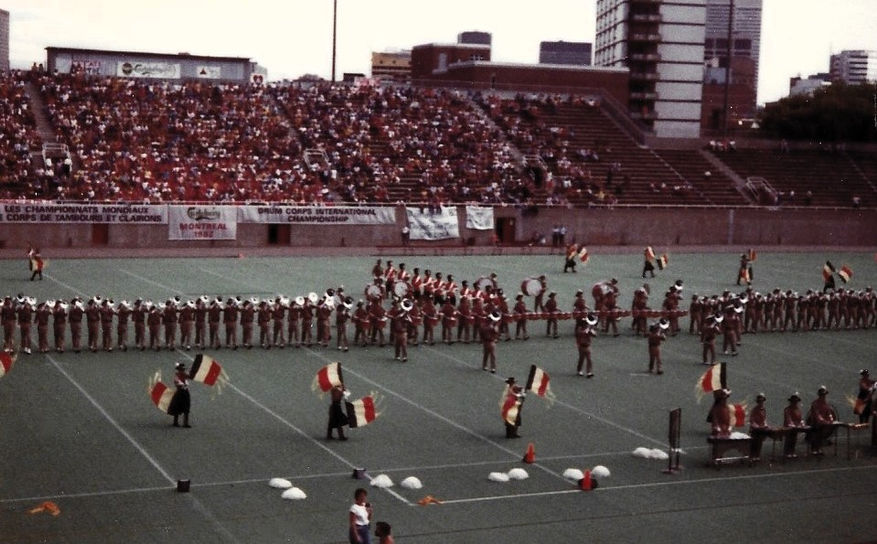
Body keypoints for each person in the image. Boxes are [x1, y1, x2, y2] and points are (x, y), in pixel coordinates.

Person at [806, 386, 837, 455]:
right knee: (815, 435)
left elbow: (829, 413)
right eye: (822, 395)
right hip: (815, 423)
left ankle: (818, 448)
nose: (824, 396)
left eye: (824, 395)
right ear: (820, 395)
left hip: (822, 423)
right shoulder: (815, 403)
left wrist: (831, 419)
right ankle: (814, 449)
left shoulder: (825, 404)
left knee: (820, 435)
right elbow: (817, 415)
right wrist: (824, 421)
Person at [782, 392, 806, 458]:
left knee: (794, 439)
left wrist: (802, 424)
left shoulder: (798, 410)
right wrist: (792, 425)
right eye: (794, 401)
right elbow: (788, 419)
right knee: (789, 439)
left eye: (796, 401)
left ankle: (792, 452)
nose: (795, 403)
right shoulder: (787, 409)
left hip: (796, 427)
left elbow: (801, 418)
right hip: (788, 427)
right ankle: (787, 452)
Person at [168, 362, 191, 428]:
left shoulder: (185, 375)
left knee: (186, 407)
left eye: (183, 369)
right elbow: (177, 383)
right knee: (177, 407)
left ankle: (185, 423)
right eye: (181, 369)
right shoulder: (177, 376)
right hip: (180, 392)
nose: (183, 371)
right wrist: (183, 385)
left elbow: (190, 376)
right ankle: (175, 422)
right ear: (179, 370)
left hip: (185, 392)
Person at [748, 393, 770, 461]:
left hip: (761, 428)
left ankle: (757, 455)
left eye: (762, 401)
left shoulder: (763, 410)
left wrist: (765, 425)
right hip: (755, 429)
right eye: (760, 401)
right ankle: (752, 456)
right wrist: (756, 426)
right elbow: (752, 420)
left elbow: (764, 419)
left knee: (760, 442)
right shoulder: (754, 410)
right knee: (754, 442)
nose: (761, 402)